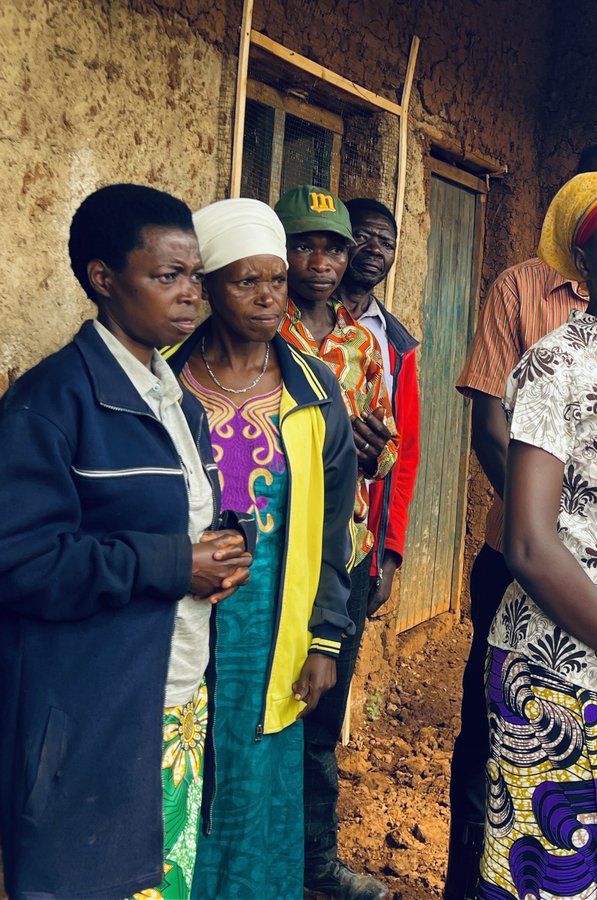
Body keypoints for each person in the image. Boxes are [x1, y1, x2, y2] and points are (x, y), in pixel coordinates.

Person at [448, 140, 597, 898]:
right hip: (565, 679)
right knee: (552, 877)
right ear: (585, 266)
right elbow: (528, 541)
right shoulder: (555, 365)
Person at [0, 184, 254, 899]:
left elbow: (172, 518)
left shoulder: (170, 398)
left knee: (160, 878)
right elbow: (19, 561)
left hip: (172, 699)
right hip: (94, 711)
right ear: (102, 278)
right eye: (165, 275)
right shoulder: (51, 404)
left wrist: (227, 547)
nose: (189, 296)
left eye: (194, 277)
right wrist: (176, 563)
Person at [162, 198, 358, 898]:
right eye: (247, 281)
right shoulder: (165, 384)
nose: (270, 295)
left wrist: (324, 641)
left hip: (274, 626)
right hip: (177, 622)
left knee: (257, 779)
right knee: (177, 772)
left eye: (275, 280)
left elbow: (336, 530)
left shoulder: (313, 393)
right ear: (209, 286)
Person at [273, 184, 396, 900]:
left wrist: (377, 447)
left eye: (333, 246)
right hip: (272, 550)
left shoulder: (360, 342)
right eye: (306, 244)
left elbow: (385, 450)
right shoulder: (263, 323)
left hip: (338, 553)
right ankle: (253, 854)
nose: (321, 259)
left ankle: (314, 863)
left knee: (320, 718)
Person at [337, 197, 421, 616]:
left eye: (385, 243)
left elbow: (402, 456)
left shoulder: (396, 346)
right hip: (284, 521)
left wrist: (387, 556)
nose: (374, 250)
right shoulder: (291, 322)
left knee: (335, 670)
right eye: (362, 237)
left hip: (355, 539)